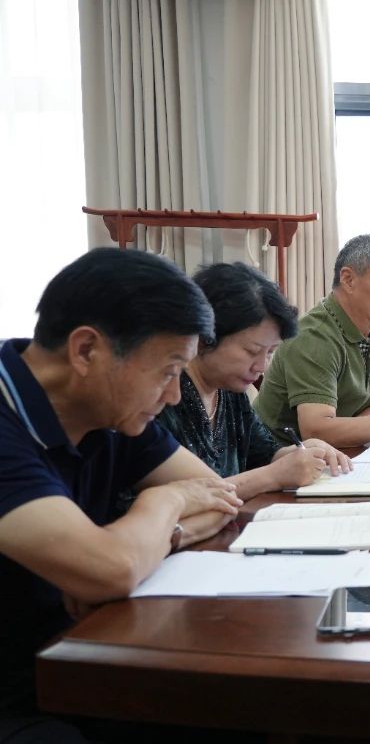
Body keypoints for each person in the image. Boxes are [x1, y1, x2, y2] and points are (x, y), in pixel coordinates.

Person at [0, 249, 243, 741]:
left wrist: (138, 545)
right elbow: (113, 567)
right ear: (87, 350)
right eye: (168, 371)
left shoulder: (114, 412)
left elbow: (217, 497)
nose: (174, 395)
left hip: (76, 657)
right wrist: (161, 505)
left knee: (237, 711)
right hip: (16, 693)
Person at [154, 263, 351, 500]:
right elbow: (182, 499)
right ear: (206, 337)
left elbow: (265, 453)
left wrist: (304, 450)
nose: (261, 366)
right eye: (252, 351)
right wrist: (272, 476)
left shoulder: (230, 389)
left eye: (270, 353)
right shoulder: (162, 396)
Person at [253, 234, 370, 448]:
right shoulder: (315, 336)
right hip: (279, 457)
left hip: (340, 453)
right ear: (348, 279)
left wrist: (353, 430)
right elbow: (316, 431)